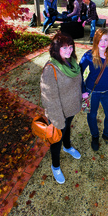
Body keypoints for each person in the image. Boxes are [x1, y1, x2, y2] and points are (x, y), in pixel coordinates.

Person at [40, 31, 82, 184]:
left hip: (70, 108)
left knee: (68, 128)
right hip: (58, 113)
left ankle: (68, 146)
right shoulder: (50, 69)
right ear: (56, 49)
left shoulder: (72, 63)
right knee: (56, 140)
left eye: (71, 47)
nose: (69, 51)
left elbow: (77, 83)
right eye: (64, 48)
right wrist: (57, 119)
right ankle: (55, 166)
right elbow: (49, 98)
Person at [80, 28, 108, 151]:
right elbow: (79, 73)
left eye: (106, 39)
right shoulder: (88, 55)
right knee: (92, 116)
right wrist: (83, 91)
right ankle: (95, 136)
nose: (103, 43)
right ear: (96, 40)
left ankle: (107, 134)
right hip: (92, 92)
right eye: (100, 40)